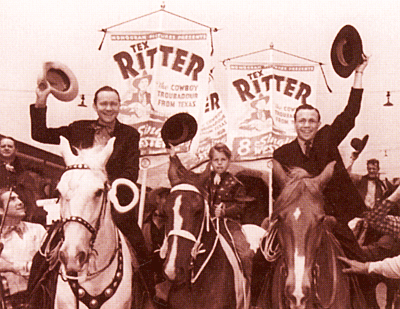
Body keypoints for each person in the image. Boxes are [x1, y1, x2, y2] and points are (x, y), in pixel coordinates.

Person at [29, 84, 154, 297]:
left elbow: (130, 171)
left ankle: (149, 292)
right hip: (77, 202)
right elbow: (40, 134)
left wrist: (103, 186)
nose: (108, 108)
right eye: (103, 103)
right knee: (45, 249)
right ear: (95, 106)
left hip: (108, 198)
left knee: (139, 243)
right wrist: (41, 101)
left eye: (113, 103)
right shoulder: (78, 128)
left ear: (119, 106)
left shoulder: (130, 135)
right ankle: (31, 295)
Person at [273, 55, 369, 261]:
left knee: (361, 265)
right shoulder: (281, 154)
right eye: (302, 121)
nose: (306, 125)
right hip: (294, 221)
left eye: (311, 121)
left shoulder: (327, 138)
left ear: (318, 124)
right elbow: (278, 194)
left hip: (332, 218)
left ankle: (365, 292)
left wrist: (358, 73)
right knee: (262, 262)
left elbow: (350, 113)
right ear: (295, 123)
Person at [0, 188, 46, 308]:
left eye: (19, 198)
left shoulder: (38, 229)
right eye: (12, 199)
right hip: (12, 301)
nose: (20, 202)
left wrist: (13, 267)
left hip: (41, 296)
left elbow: (47, 262)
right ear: (0, 210)